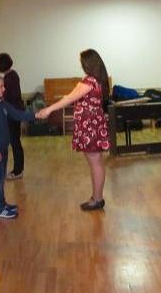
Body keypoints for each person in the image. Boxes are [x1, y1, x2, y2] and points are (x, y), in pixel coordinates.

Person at [36, 49, 110, 211]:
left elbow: (69, 98)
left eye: (82, 62)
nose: (81, 65)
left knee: (95, 164)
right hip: (94, 125)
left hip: (90, 127)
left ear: (88, 64)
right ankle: (96, 197)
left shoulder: (89, 81)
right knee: (96, 163)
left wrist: (49, 110)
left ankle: (97, 199)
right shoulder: (98, 80)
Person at [0, 74, 35, 218]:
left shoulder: (2, 104)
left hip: (3, 149)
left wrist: (36, 114)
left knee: (2, 178)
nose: (4, 89)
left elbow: (17, 114)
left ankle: (2, 203)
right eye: (1, 86)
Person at [0, 53, 26, 180]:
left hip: (12, 114)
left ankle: (18, 171)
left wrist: (1, 103)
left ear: (2, 64)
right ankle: (18, 170)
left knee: (15, 142)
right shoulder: (10, 75)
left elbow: (11, 97)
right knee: (15, 142)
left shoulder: (10, 77)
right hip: (13, 113)